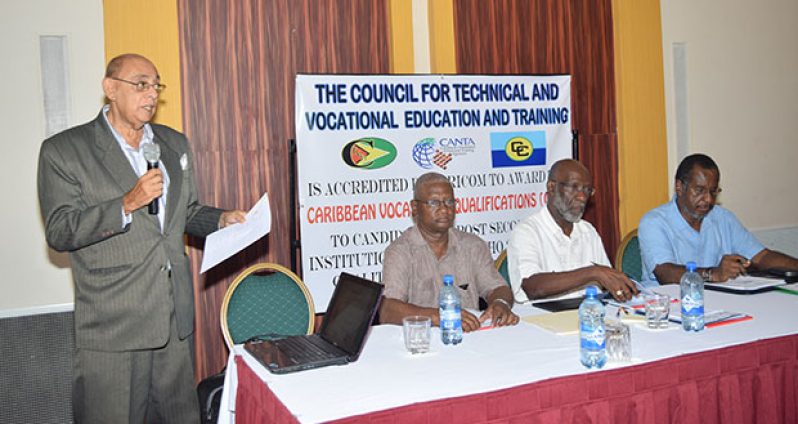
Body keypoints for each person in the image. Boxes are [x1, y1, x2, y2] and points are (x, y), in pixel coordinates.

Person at [37, 53, 246, 423]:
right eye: (140, 84)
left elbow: (187, 212)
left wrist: (222, 219)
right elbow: (60, 230)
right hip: (113, 323)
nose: (151, 94)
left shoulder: (173, 144)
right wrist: (127, 203)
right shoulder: (65, 151)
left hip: (173, 320)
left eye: (155, 86)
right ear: (110, 89)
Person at [380, 172, 519, 331]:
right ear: (415, 208)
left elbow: (497, 288)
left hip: (468, 338)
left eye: (449, 201)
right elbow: (387, 309)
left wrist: (500, 303)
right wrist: (437, 316)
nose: (444, 209)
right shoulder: (400, 251)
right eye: (434, 202)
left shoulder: (472, 245)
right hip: (423, 339)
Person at [638, 153, 798, 283]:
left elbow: (761, 257)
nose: (708, 199)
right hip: (670, 308)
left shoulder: (723, 218)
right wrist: (713, 274)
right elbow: (665, 273)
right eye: (699, 190)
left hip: (721, 304)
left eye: (713, 191)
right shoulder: (654, 222)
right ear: (679, 187)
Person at [507, 159, 637, 302]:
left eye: (587, 190)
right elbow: (533, 288)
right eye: (574, 187)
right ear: (551, 187)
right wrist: (593, 273)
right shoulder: (527, 232)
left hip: (587, 313)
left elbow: (606, 281)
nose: (581, 197)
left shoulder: (587, 231)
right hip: (541, 317)